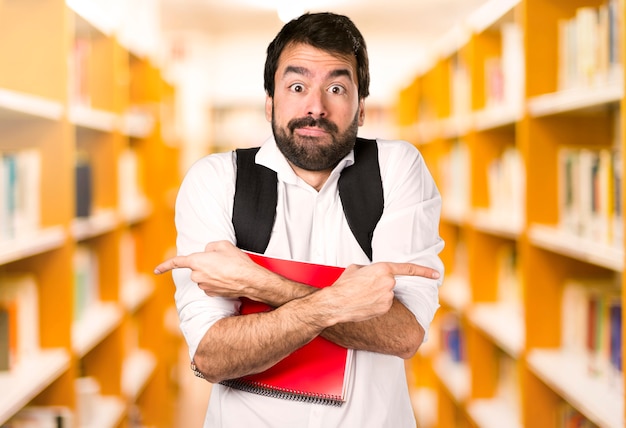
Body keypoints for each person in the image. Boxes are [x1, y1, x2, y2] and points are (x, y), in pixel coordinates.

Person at [154, 12, 444, 428]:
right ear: (270, 102)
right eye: (296, 86)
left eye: (337, 88)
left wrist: (257, 282)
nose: (316, 106)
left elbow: (403, 334)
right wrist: (342, 302)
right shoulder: (217, 180)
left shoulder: (395, 169)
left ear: (361, 109)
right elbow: (212, 357)